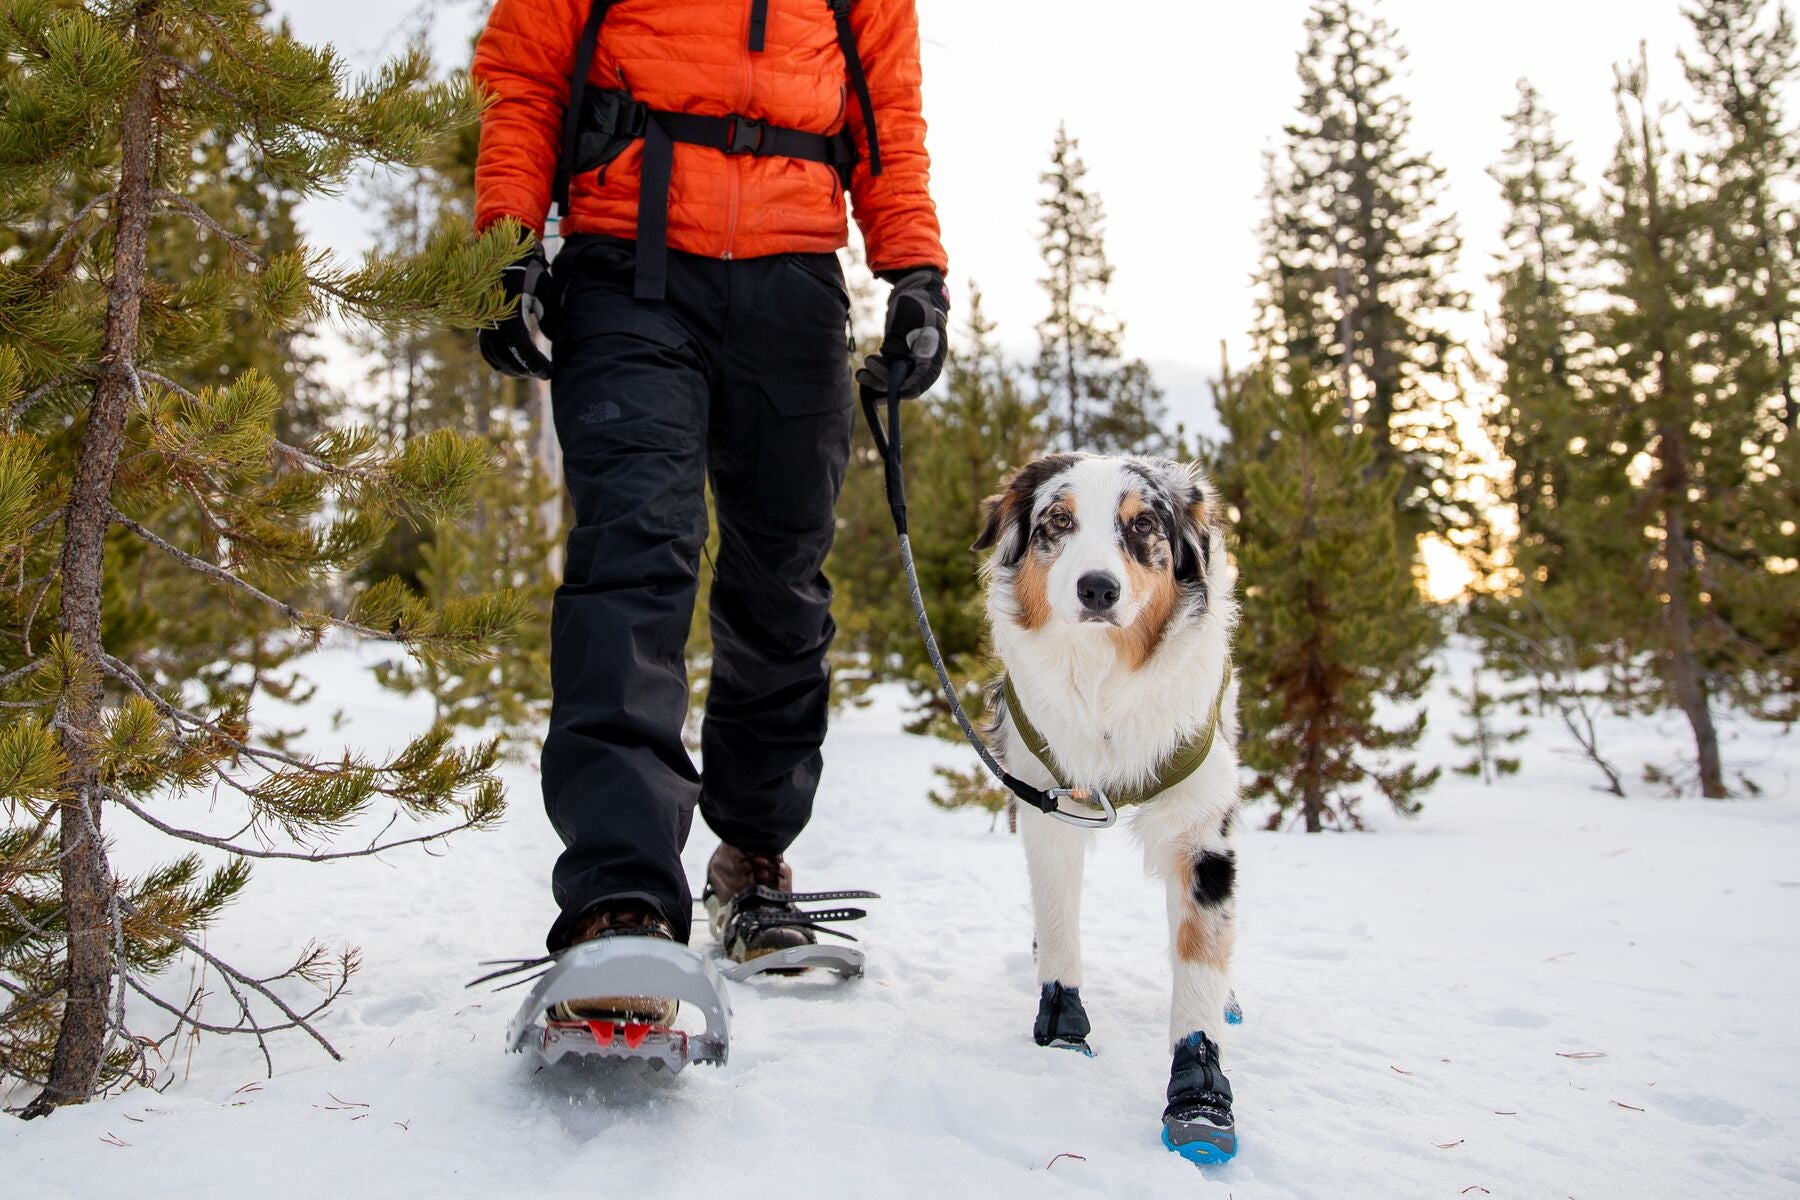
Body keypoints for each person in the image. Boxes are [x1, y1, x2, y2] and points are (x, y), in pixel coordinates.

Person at [471, 0, 949, 1022]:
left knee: (782, 576)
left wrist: (915, 273)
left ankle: (752, 860)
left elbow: (887, 116)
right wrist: (507, 244)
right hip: (629, 270)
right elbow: (526, 78)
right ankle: (623, 898)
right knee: (634, 556)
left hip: (794, 283)